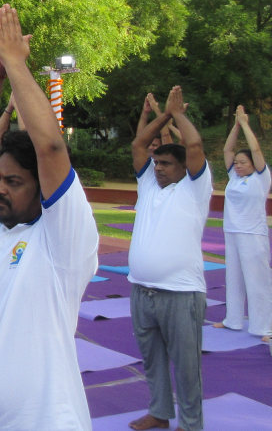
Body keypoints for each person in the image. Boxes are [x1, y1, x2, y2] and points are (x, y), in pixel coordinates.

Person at [0, 4, 99, 430]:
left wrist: (17, 66)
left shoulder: (61, 242)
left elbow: (52, 150)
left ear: (44, 191)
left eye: (14, 182)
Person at [126, 87, 211, 431]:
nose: (157, 168)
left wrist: (176, 114)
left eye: (165, 163)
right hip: (141, 290)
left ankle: (191, 424)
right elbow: (137, 146)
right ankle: (160, 412)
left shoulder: (194, 187)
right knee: (152, 361)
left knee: (187, 366)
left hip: (181, 293)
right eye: (156, 162)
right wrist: (161, 116)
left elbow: (194, 147)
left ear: (182, 168)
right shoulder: (148, 185)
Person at [218, 106, 270, 340]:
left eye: (242, 162)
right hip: (232, 231)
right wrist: (236, 125)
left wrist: (246, 124)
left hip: (252, 234)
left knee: (257, 281)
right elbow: (227, 149)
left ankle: (263, 326)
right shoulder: (234, 177)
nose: (238, 165)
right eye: (236, 162)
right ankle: (233, 320)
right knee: (234, 278)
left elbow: (256, 149)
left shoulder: (261, 178)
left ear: (252, 164)